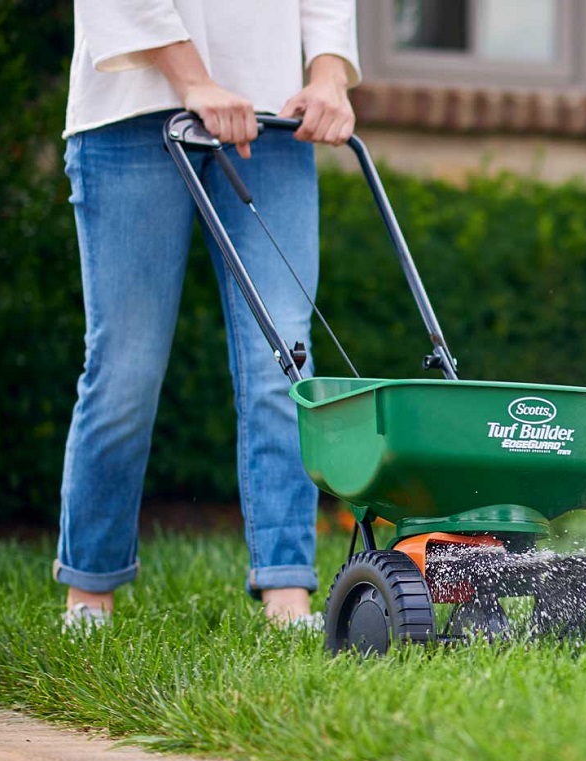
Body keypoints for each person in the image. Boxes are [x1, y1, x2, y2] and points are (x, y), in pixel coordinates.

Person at [57, 0, 360, 628]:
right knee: (126, 370)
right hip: (131, 111)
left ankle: (287, 591)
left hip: (272, 123)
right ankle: (90, 590)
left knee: (285, 357)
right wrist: (193, 78)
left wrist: (328, 75)